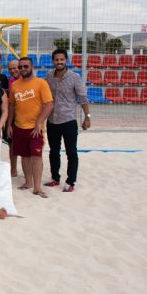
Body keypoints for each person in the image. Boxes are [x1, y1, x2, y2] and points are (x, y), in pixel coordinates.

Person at [7, 57, 54, 198]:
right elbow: (11, 105)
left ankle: (38, 187)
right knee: (24, 156)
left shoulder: (41, 83)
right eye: (20, 67)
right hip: (19, 126)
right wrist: (9, 124)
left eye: (25, 66)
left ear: (32, 66)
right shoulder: (15, 85)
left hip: (35, 128)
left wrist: (39, 122)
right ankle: (28, 182)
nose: (22, 69)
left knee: (36, 156)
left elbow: (49, 104)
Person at [44, 48, 90, 193]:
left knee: (71, 152)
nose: (59, 62)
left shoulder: (75, 77)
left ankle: (70, 182)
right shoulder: (49, 76)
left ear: (66, 60)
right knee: (53, 152)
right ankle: (55, 178)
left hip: (69, 121)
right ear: (53, 61)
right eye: (56, 59)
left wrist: (87, 117)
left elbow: (83, 98)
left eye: (62, 59)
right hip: (52, 121)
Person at [6, 58, 20, 177]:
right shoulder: (10, 80)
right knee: (12, 145)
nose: (12, 71)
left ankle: (29, 170)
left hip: (25, 117)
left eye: (15, 68)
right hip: (12, 117)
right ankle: (13, 169)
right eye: (10, 69)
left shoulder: (27, 80)